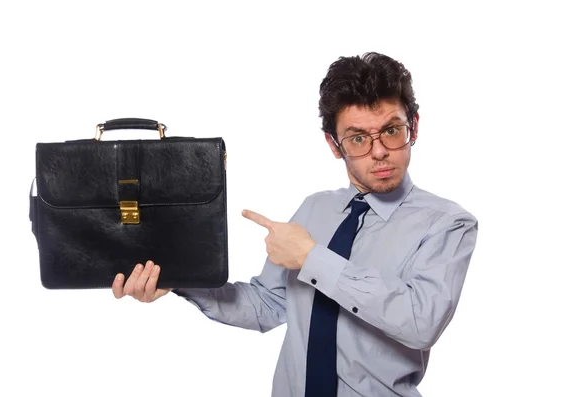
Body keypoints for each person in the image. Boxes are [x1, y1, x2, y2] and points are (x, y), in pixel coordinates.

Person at [112, 51, 479, 397]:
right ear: (335, 145)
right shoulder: (315, 209)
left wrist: (312, 258)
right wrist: (180, 280)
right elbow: (266, 305)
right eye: (357, 138)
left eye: (391, 130)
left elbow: (420, 322)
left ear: (412, 126)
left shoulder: (448, 224)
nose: (380, 150)